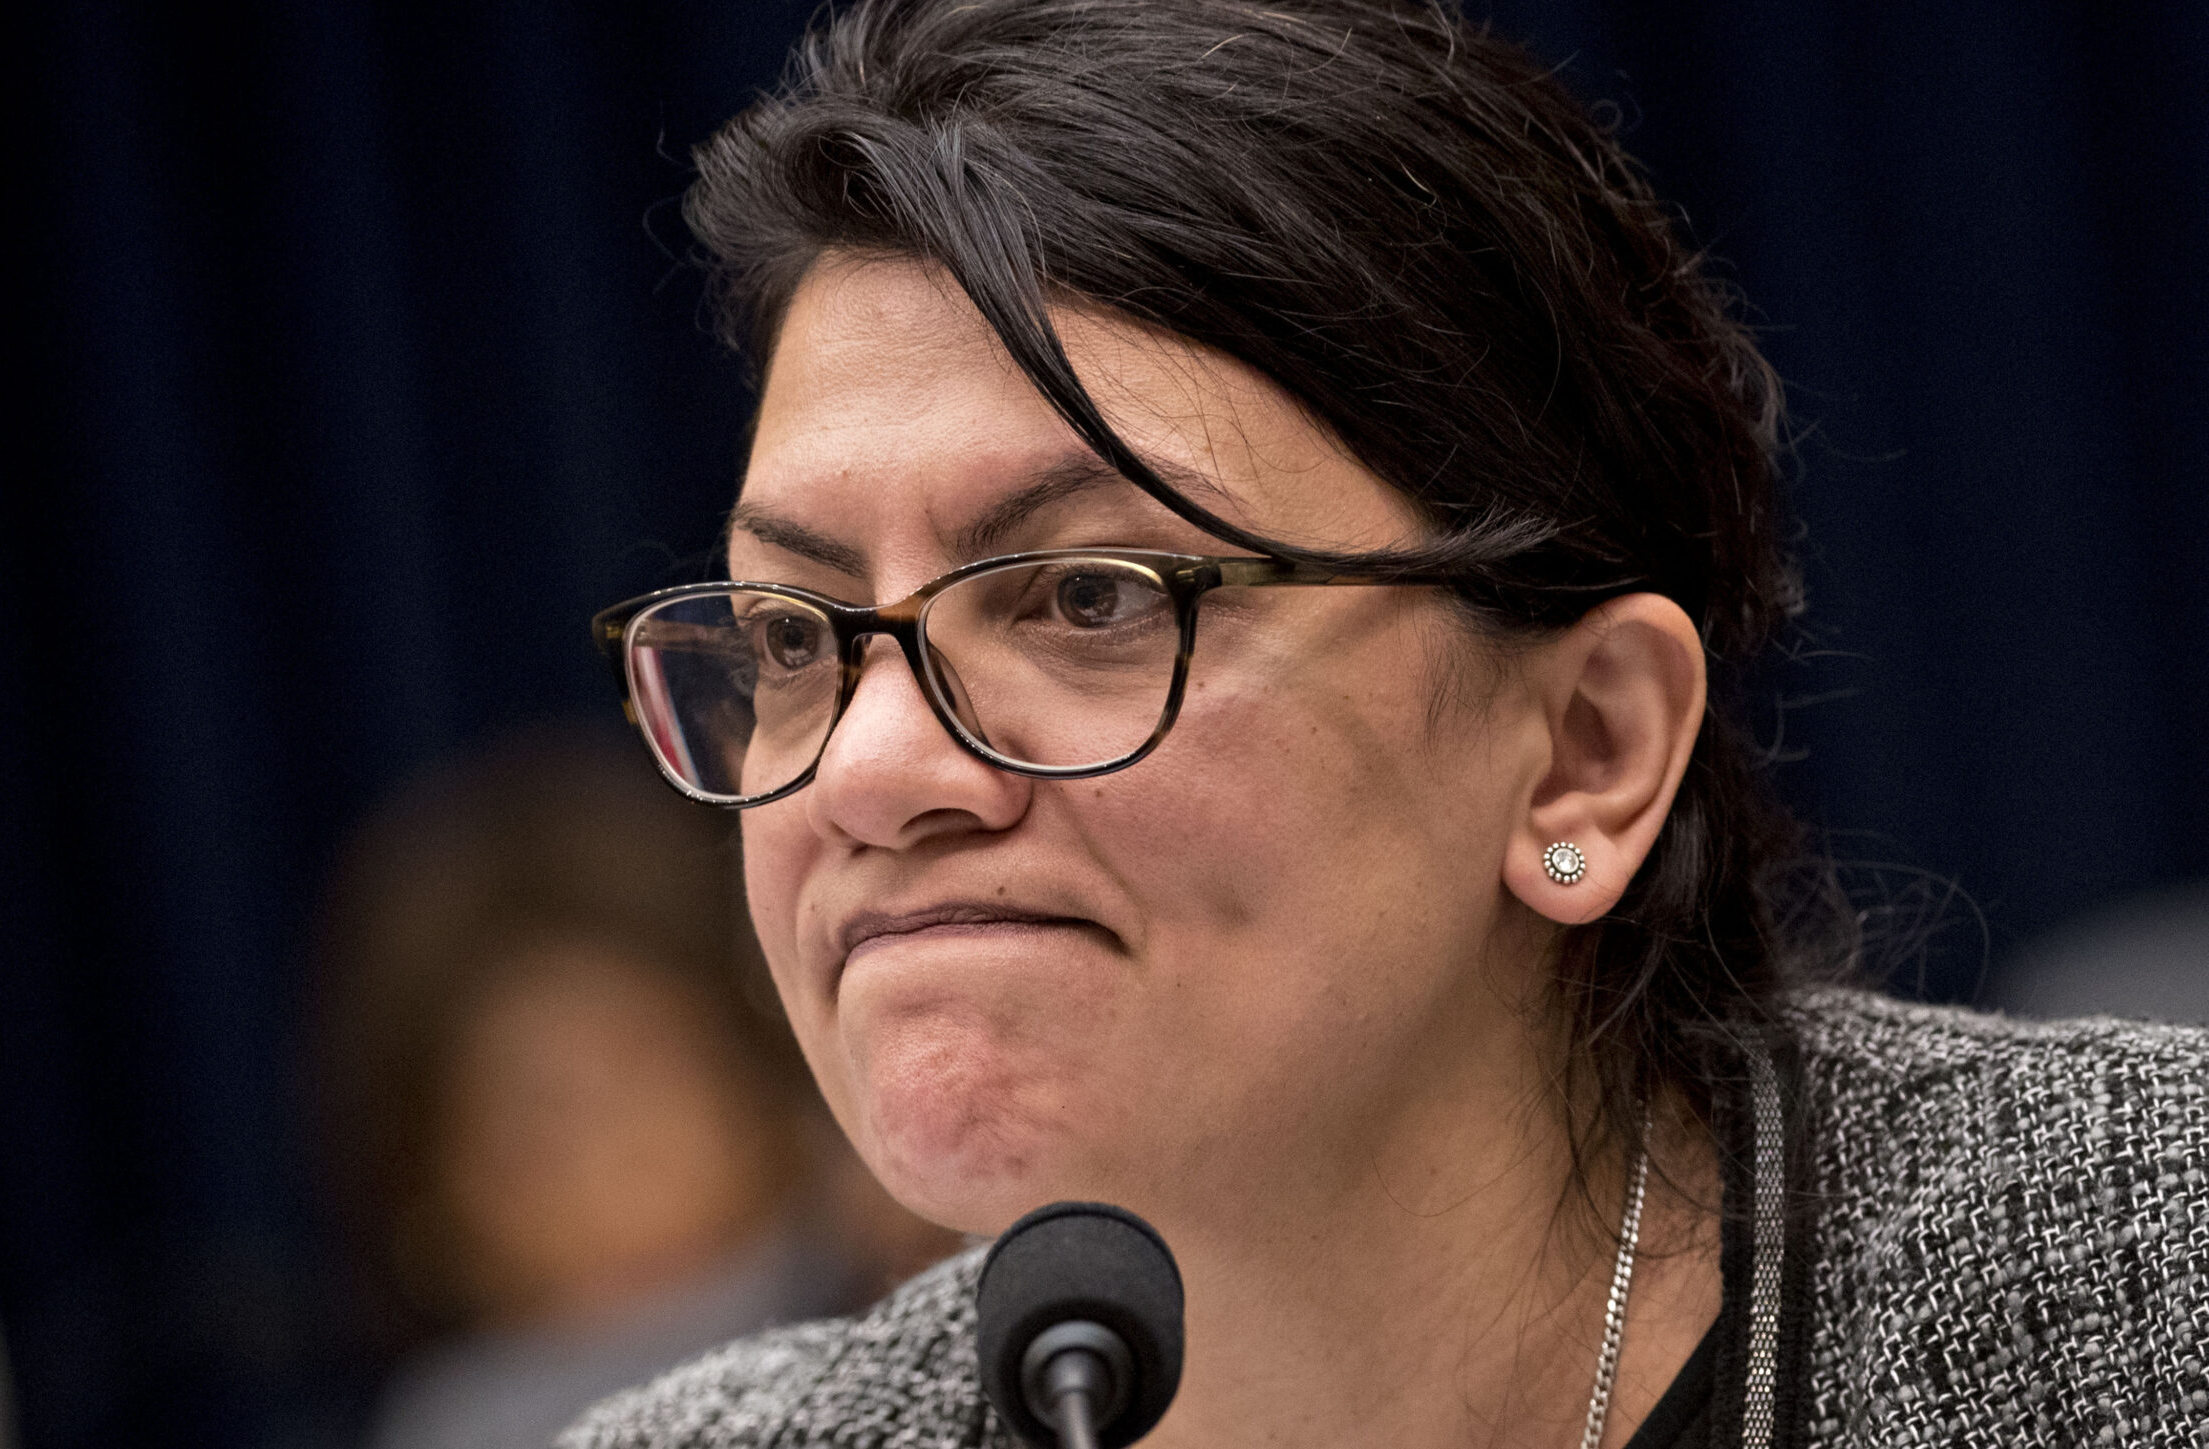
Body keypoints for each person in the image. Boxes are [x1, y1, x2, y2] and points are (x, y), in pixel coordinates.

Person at [554, 1, 2209, 1445]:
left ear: (1588, 750)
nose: (867, 768)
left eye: (1093, 597)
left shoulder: (2147, 1289)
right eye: (793, 633)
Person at [310, 732, 955, 1449]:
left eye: (644, 1071)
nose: (618, 1156)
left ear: (758, 1078)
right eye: (540, 1128)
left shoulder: (924, 1264)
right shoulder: (469, 1423)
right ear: (435, 1212)